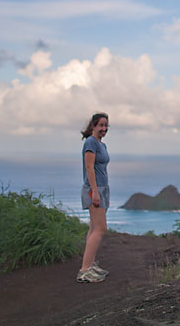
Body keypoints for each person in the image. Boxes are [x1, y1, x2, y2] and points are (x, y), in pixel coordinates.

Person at [78, 112, 111, 283]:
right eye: (101, 125)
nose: (104, 129)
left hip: (102, 188)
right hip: (94, 190)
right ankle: (84, 271)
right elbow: (89, 168)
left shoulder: (101, 144)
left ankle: (89, 264)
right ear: (93, 126)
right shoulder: (91, 142)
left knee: (93, 228)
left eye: (106, 126)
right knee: (100, 229)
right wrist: (95, 192)